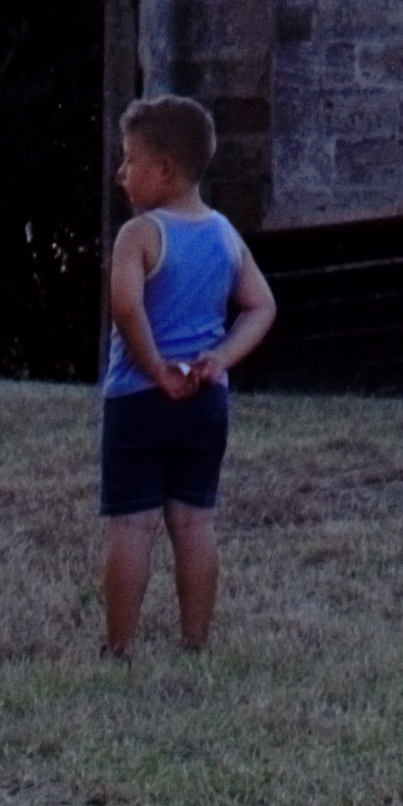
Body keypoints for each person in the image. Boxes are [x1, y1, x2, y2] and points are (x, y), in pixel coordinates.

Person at [98, 91, 274, 654]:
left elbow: (125, 306)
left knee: (133, 525)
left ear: (166, 169)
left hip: (139, 400)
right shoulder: (225, 234)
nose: (121, 174)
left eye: (130, 161)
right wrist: (220, 358)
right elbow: (261, 305)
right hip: (205, 401)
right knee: (195, 523)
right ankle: (195, 642)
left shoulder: (141, 234)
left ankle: (119, 649)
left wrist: (155, 369)